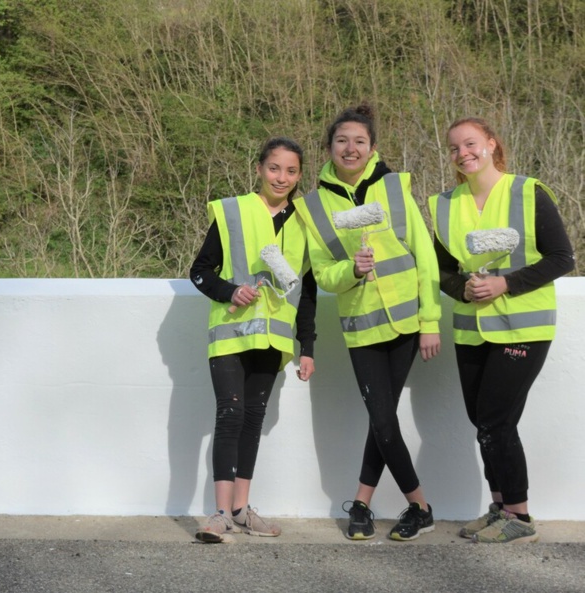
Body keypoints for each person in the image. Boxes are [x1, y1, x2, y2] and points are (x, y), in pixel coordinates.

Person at [295, 104, 441, 541]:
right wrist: (352, 270)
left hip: (406, 325)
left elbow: (424, 256)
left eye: (360, 140)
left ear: (373, 147)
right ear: (329, 148)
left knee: (384, 421)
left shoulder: (395, 189)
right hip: (361, 326)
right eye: (342, 141)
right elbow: (323, 274)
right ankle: (420, 506)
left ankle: (362, 504)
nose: (350, 148)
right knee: (382, 419)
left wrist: (430, 319)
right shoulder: (314, 207)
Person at [428, 117, 574, 543]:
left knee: (494, 419)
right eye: (454, 148)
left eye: (470, 143)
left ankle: (519, 516)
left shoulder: (529, 192)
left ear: (491, 144)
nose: (463, 153)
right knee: (484, 421)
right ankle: (499, 508)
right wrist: (465, 290)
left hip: (523, 327)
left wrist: (505, 283)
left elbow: (562, 257)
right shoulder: (444, 204)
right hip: (472, 330)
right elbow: (441, 269)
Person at [189, 137, 316, 543]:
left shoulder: (304, 222)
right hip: (229, 335)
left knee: (252, 419)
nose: (282, 177)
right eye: (274, 168)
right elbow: (200, 271)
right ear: (260, 168)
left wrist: (307, 346)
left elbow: (307, 291)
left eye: (291, 170)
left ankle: (242, 510)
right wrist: (231, 291)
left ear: (299, 175)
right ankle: (220, 514)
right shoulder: (232, 212)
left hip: (275, 342)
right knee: (230, 414)